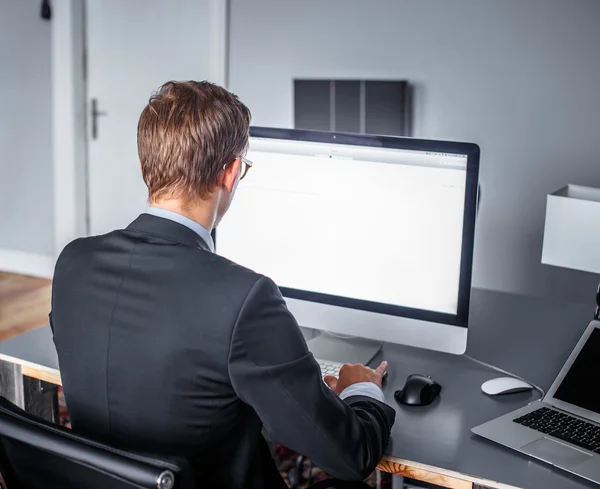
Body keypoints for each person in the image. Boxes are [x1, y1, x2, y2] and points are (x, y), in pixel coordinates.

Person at [49, 81, 395, 489]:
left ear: (147, 166)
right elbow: (349, 456)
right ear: (230, 172)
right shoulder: (245, 299)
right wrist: (363, 393)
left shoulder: (73, 261)